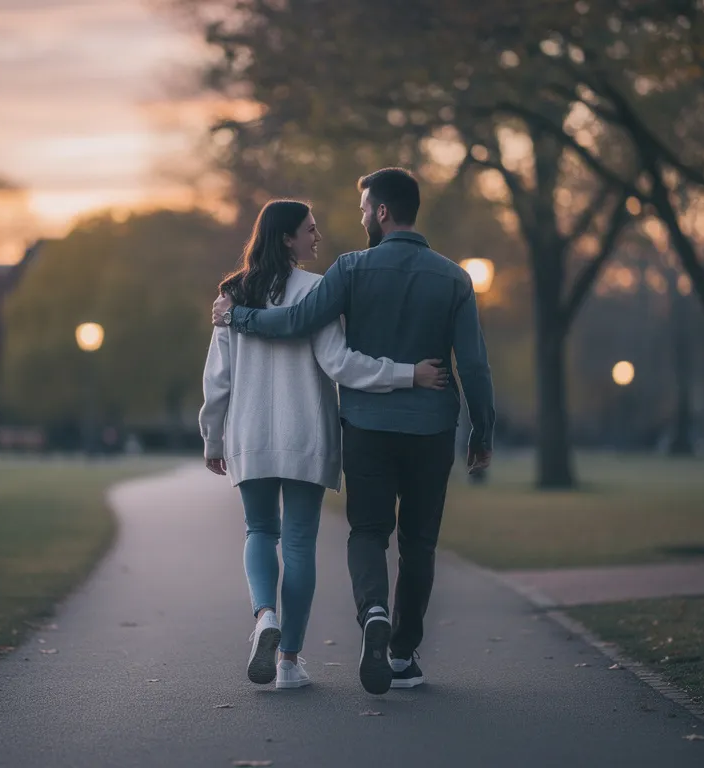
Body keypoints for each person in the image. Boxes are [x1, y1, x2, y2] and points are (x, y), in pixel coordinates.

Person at [212, 168, 495, 695]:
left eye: (365, 206)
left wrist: (240, 319)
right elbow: (473, 366)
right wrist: (483, 430)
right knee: (419, 543)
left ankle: (367, 613)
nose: (360, 215)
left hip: (364, 427)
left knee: (363, 532)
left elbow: (292, 324)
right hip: (430, 427)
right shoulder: (454, 277)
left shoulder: (349, 270)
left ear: (382, 211)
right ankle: (402, 653)